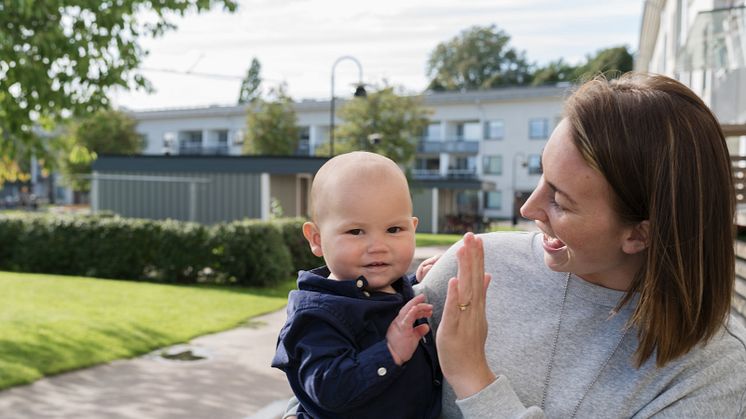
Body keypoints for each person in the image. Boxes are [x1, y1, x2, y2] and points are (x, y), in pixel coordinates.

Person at [419, 73, 746, 418]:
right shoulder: (474, 267)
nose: (528, 208)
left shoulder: (715, 371)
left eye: (560, 200)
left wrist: (475, 382)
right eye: (542, 174)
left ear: (639, 235)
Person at [272, 151, 442, 419]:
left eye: (394, 230)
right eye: (355, 231)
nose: (378, 247)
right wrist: (390, 352)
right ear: (316, 239)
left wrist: (418, 282)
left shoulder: (393, 286)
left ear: (413, 227)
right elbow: (328, 391)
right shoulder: (316, 316)